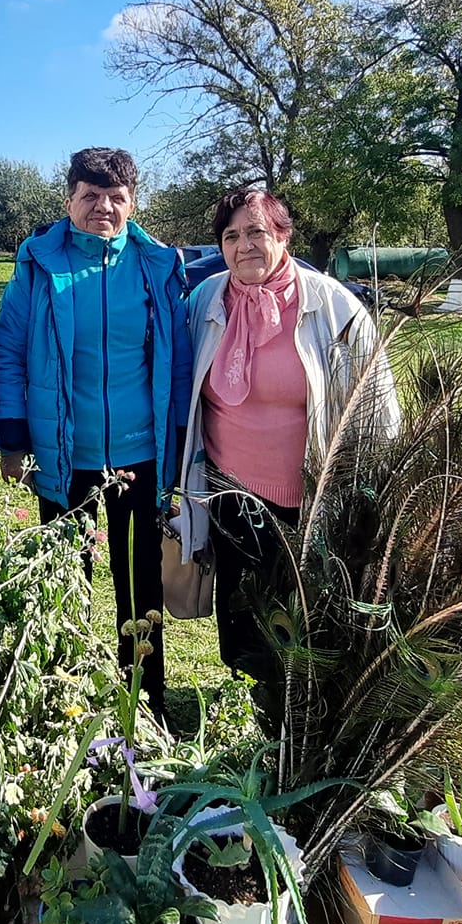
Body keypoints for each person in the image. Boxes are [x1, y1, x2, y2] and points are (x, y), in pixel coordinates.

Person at [176, 190, 402, 683]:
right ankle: (248, 694)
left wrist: (372, 491)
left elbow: (378, 409)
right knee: (240, 606)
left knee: (306, 613)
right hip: (229, 490)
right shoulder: (205, 301)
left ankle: (299, 714)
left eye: (256, 232)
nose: (244, 246)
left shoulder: (334, 307)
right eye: (231, 236)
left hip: (312, 498)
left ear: (283, 235)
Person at [0, 147, 190, 716]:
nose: (102, 207)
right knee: (62, 583)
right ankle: (67, 700)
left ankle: (143, 704)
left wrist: (176, 446)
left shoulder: (156, 266)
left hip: (138, 457)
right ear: (69, 199)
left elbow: (177, 365)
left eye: (115, 197)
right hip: (63, 457)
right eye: (90, 196)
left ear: (132, 202)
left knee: (139, 587)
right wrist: (13, 439)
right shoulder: (38, 264)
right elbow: (8, 352)